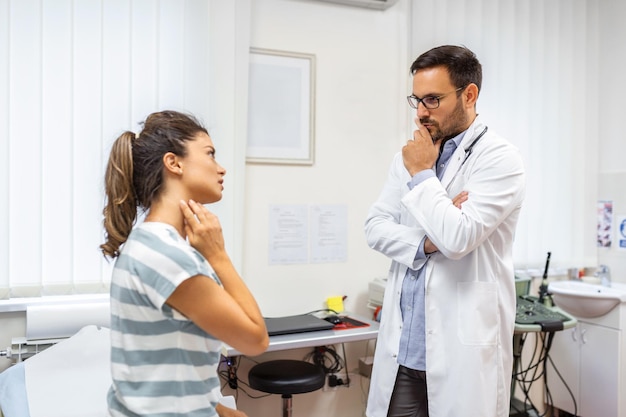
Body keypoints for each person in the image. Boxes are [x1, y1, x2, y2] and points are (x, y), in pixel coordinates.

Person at [364, 45, 526, 417]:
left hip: (462, 351)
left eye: (433, 100)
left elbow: (458, 238)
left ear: (469, 95)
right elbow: (375, 228)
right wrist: (426, 241)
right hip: (404, 348)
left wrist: (422, 175)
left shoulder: (500, 159)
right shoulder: (407, 156)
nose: (421, 112)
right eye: (417, 100)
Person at [100, 110, 269, 417]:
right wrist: (219, 256)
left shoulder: (150, 245)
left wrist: (218, 408)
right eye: (210, 154)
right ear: (174, 163)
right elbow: (255, 340)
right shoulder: (165, 255)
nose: (222, 169)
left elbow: (163, 366)